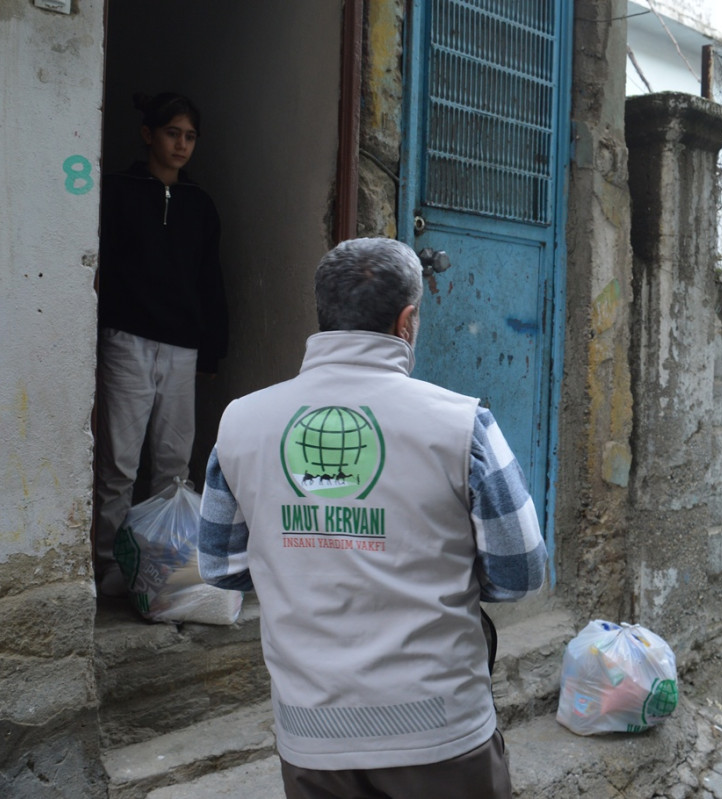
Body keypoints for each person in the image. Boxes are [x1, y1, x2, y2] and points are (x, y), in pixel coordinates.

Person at [197, 238, 548, 799]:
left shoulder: (240, 423)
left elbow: (221, 568)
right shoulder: (463, 426)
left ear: (325, 316)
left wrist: (304, 562)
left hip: (312, 739)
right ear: (406, 322)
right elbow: (521, 571)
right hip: (440, 733)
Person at [94, 92, 228, 598]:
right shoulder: (119, 191)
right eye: (173, 133)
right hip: (126, 340)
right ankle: (109, 568)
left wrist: (212, 349)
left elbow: (211, 281)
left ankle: (160, 566)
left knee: (174, 466)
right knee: (119, 466)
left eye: (190, 136)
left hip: (181, 348)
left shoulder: (200, 205)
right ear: (149, 134)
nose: (182, 144)